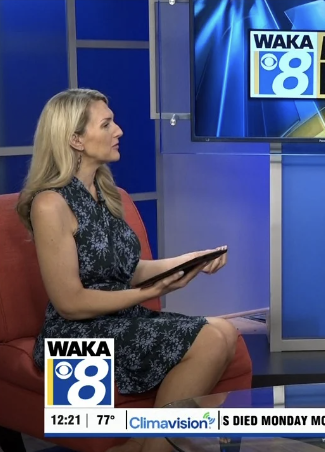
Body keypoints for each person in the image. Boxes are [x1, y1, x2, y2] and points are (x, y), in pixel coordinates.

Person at [16, 88, 239, 452]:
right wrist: (149, 293)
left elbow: (126, 270)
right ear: (75, 139)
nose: (118, 130)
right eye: (106, 124)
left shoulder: (106, 193)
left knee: (226, 331)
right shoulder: (50, 204)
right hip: (76, 334)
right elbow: (70, 303)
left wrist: (192, 260)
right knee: (211, 338)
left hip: (120, 320)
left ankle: (143, 444)